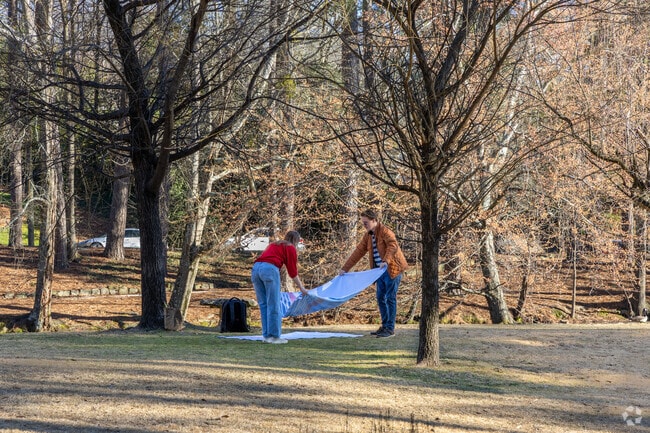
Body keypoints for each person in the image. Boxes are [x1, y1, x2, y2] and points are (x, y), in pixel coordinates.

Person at [339, 210, 408, 338]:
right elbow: (358, 252)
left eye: (366, 223)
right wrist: (345, 269)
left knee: (390, 298)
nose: (364, 225)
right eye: (363, 223)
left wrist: (385, 261)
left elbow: (393, 246)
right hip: (379, 272)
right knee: (380, 298)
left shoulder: (385, 232)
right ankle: (384, 326)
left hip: (392, 269)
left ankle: (390, 328)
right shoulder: (368, 236)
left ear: (374, 220)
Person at [252, 230, 309, 344]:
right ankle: (275, 336)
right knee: (274, 303)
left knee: (264, 304)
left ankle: (267, 336)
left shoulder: (274, 244)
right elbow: (292, 272)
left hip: (256, 269)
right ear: (296, 240)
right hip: (269, 270)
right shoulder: (290, 248)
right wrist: (302, 288)